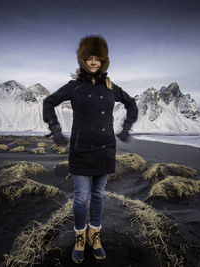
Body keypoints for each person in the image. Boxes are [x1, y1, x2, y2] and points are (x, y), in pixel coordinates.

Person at [43, 34, 138, 264]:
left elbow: (131, 103)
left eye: (98, 58)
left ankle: (95, 238)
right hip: (81, 150)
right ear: (83, 60)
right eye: (89, 58)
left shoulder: (111, 87)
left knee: (98, 196)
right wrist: (56, 130)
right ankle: (79, 239)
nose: (93, 62)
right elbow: (49, 102)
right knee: (80, 198)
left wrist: (126, 128)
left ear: (103, 61)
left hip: (105, 149)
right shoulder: (74, 86)